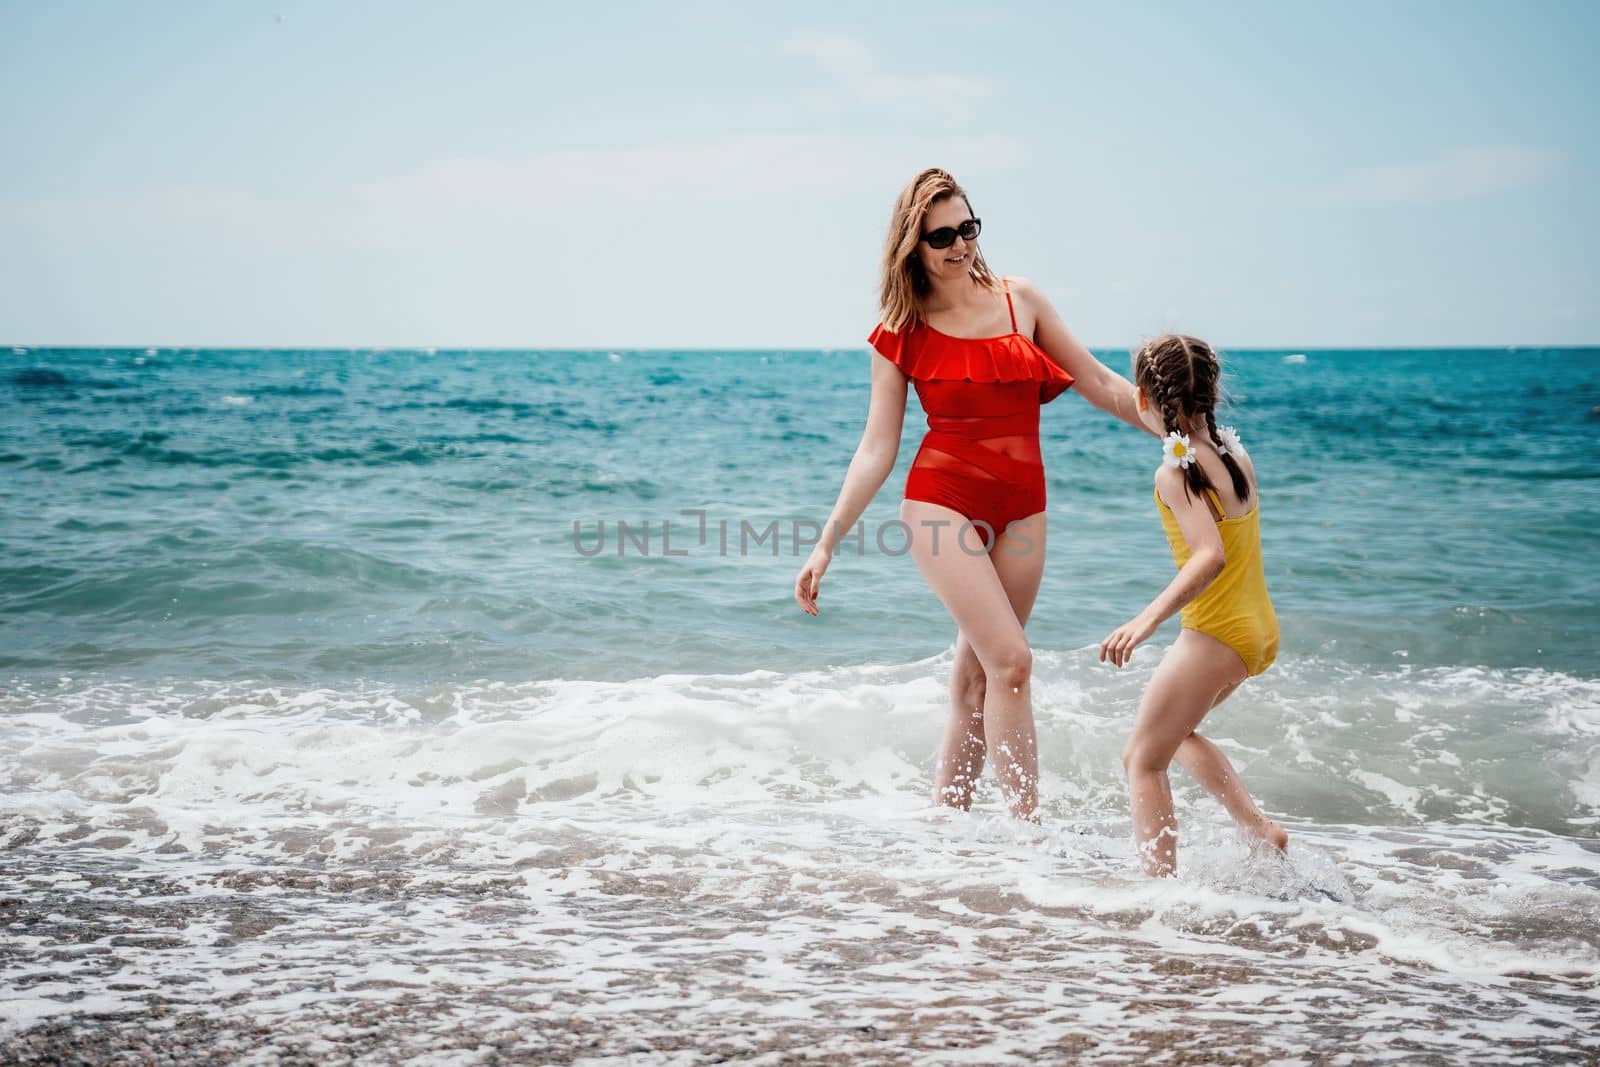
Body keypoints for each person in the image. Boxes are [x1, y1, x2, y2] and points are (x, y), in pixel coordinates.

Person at [794, 167, 1151, 820]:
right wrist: (827, 543)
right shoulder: (902, 329)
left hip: (1024, 505)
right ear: (913, 247)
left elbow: (1100, 383)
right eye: (942, 237)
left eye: (968, 228)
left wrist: (1180, 430)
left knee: (977, 680)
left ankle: (947, 830)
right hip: (940, 501)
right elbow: (877, 447)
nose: (960, 246)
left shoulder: (1023, 302)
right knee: (1012, 661)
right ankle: (1031, 837)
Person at [1099, 334, 1287, 875]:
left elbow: (1209, 557)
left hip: (1215, 632)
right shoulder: (1233, 452)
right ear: (1212, 389)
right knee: (1171, 735)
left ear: (1143, 397)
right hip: (1256, 629)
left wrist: (1146, 619)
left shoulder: (1175, 473)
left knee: (1142, 758)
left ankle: (1160, 890)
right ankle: (1259, 830)